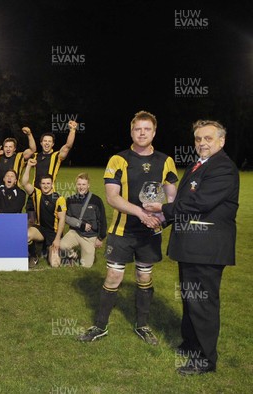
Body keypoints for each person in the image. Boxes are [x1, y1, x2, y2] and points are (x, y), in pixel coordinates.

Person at [144, 120, 239, 375]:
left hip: (206, 248)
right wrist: (162, 220)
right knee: (190, 299)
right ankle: (190, 344)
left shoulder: (224, 169)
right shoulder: (199, 165)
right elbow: (186, 202)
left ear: (221, 141)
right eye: (198, 139)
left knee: (203, 302)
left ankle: (206, 359)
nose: (202, 143)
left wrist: (162, 209)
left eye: (208, 138)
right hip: (192, 246)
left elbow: (199, 203)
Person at [78, 110, 178, 345]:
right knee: (114, 275)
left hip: (150, 232)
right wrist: (142, 213)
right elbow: (112, 197)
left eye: (147, 129)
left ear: (154, 132)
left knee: (144, 275)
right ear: (131, 131)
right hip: (122, 231)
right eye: (137, 129)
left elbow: (172, 198)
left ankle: (142, 325)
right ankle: (100, 325)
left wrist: (162, 217)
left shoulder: (166, 161)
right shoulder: (118, 159)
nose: (142, 133)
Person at [22, 158, 67, 268]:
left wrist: (57, 239)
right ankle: (33, 256)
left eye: (48, 183)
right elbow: (24, 182)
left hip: (54, 233)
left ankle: (56, 250)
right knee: (26, 235)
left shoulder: (59, 199)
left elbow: (62, 220)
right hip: (41, 229)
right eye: (43, 183)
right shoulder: (37, 194)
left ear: (52, 184)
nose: (46, 185)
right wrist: (28, 166)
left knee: (55, 264)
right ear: (40, 184)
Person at [58, 173, 107, 267]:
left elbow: (102, 220)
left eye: (84, 184)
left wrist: (100, 238)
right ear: (76, 185)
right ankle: (73, 256)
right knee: (62, 245)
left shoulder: (96, 200)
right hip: (75, 232)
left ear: (88, 185)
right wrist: (80, 224)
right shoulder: (70, 200)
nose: (81, 187)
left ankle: (87, 253)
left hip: (90, 236)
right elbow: (65, 217)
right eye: (79, 184)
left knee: (86, 266)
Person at [33, 120, 78, 187]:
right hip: (34, 192)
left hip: (48, 192)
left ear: (52, 144)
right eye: (45, 141)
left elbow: (68, 146)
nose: (47, 143)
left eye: (49, 141)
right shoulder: (35, 156)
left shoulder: (56, 156)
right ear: (41, 143)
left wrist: (72, 130)